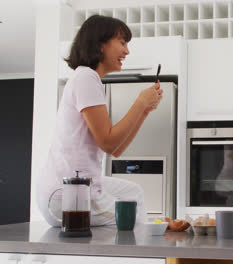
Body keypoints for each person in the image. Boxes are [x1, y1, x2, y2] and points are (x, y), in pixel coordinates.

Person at [37, 15, 162, 227]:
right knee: (129, 220)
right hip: (69, 195)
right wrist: (140, 102)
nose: (127, 51)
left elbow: (116, 150)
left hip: (69, 189)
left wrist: (144, 111)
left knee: (134, 193)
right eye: (122, 43)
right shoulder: (86, 77)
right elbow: (108, 142)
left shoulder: (88, 79)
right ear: (100, 44)